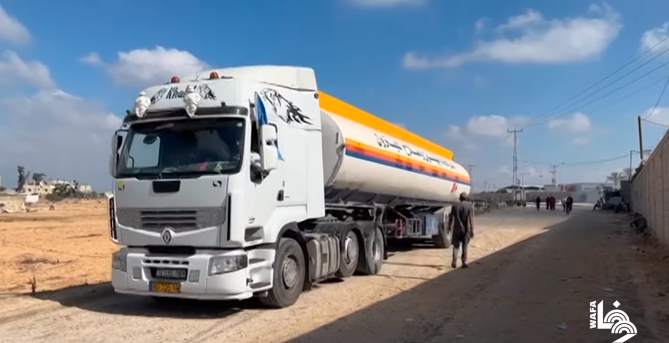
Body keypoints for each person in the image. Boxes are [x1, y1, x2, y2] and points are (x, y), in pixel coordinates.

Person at [448, 192, 474, 269]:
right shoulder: (469, 207)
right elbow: (471, 220)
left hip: (456, 229)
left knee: (456, 246)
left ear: (460, 198)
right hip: (465, 230)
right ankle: (464, 262)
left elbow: (451, 218)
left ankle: (454, 261)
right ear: (466, 199)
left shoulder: (454, 207)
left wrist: (449, 227)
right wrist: (472, 231)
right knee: (464, 246)